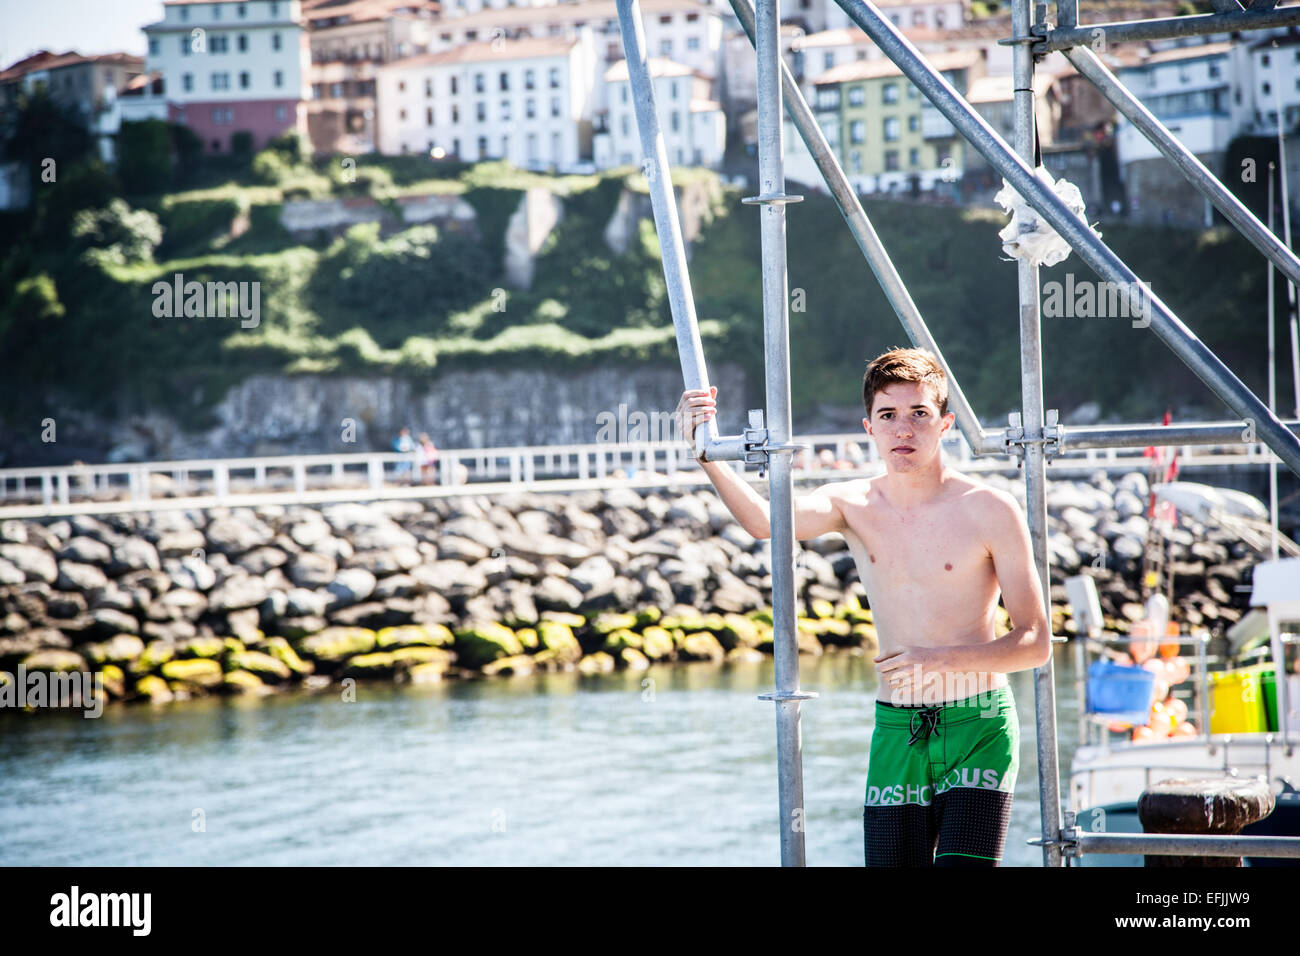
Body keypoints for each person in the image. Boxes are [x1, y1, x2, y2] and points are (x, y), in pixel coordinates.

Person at [674, 347, 1050, 867]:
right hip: (896, 726)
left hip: (979, 724)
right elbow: (766, 522)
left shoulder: (989, 510)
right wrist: (704, 453)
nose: (904, 430)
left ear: (945, 424)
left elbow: (1034, 641)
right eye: (888, 416)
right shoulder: (851, 505)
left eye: (919, 414)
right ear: (868, 427)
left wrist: (940, 661)